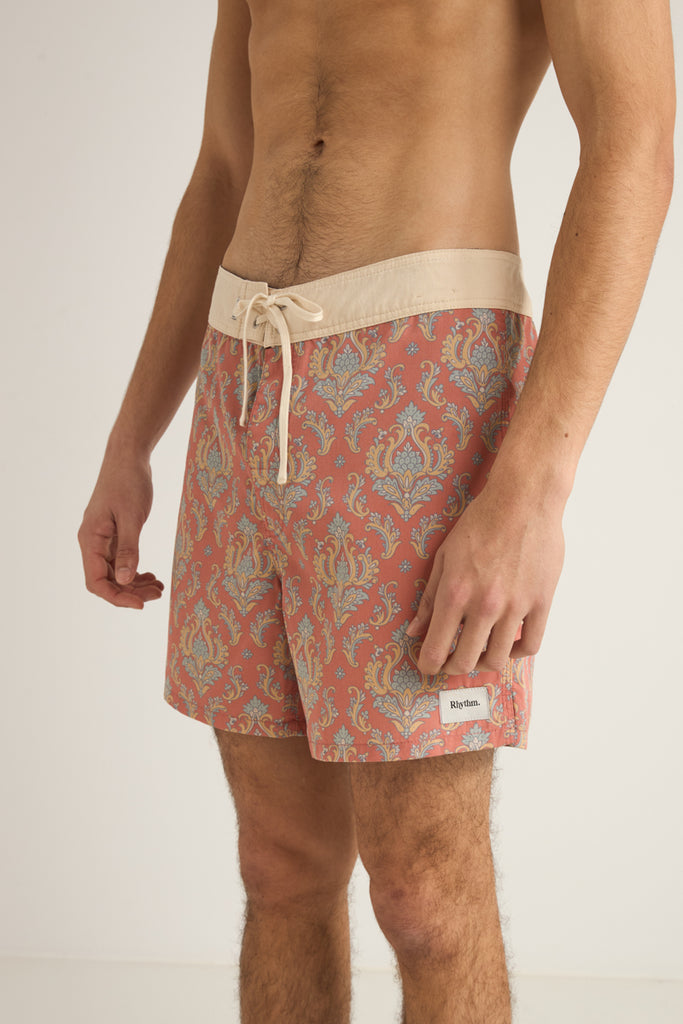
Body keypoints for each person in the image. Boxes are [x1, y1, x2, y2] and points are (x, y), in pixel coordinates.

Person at [77, 1, 675, 1021]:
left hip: (428, 377)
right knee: (278, 863)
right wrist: (131, 440)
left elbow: (635, 138)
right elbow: (223, 168)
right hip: (239, 380)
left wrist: (531, 489)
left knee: (424, 892)